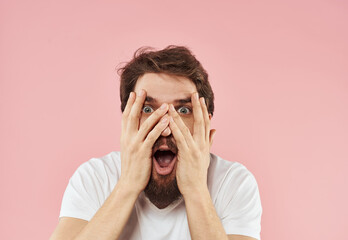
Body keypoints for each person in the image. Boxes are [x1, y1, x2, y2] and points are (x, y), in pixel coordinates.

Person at [50, 46, 262, 240]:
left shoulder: (233, 183)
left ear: (205, 123)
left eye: (183, 110)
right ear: (127, 121)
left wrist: (196, 189)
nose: (166, 127)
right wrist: (128, 185)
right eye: (148, 109)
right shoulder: (94, 178)